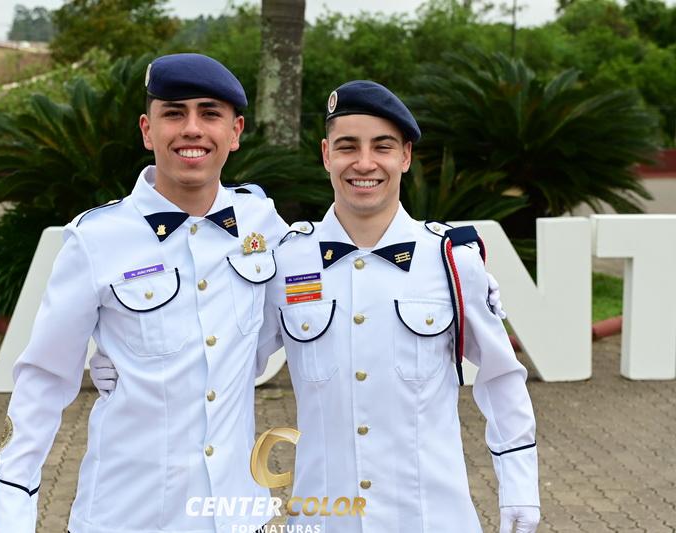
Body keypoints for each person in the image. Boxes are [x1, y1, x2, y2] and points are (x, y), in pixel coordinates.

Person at [89, 81, 526, 532]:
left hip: (432, 518)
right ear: (325, 154)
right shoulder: (286, 259)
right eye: (347, 146)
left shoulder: (451, 263)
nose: (364, 163)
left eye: (382, 147)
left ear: (406, 156)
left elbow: (501, 377)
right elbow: (227, 352)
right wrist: (133, 358)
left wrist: (519, 488)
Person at [0, 53, 287, 533]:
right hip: (129, 516)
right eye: (174, 113)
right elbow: (42, 382)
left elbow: (294, 321)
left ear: (235, 132)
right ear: (148, 131)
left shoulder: (262, 223)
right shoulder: (95, 239)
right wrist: (13, 518)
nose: (192, 129)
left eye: (210, 113)